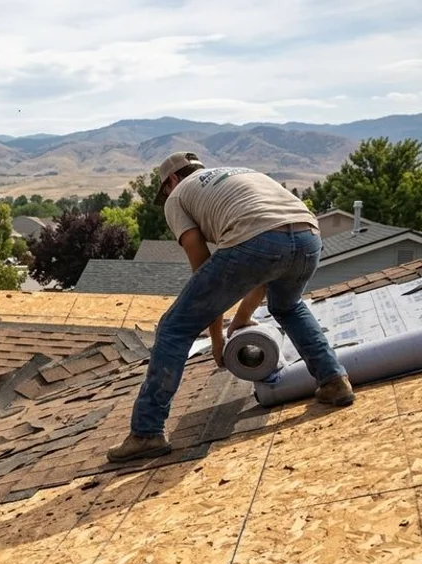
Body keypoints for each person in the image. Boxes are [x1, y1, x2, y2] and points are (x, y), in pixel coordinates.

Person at [108, 152, 355, 463]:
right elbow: (268, 263)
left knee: (174, 327)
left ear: (171, 180)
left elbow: (202, 266)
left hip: (258, 240)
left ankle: (146, 432)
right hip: (308, 236)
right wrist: (241, 319)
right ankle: (333, 380)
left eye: (165, 189)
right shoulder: (239, 173)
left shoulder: (178, 197)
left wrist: (216, 340)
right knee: (288, 306)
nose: (167, 195)